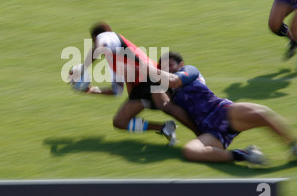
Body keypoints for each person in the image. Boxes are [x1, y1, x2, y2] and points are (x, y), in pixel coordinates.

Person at [155, 51, 297, 165]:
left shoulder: (190, 71)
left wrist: (150, 69)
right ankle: (243, 154)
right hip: (209, 131)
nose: (166, 69)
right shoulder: (167, 92)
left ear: (181, 64)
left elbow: (174, 80)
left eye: (170, 64)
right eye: (162, 67)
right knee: (189, 151)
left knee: (263, 113)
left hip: (223, 112)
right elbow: (164, 105)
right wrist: (149, 75)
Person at [68, 22, 199, 145]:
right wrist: (92, 90)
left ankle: (200, 134)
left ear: (96, 38)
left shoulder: (110, 37)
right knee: (120, 122)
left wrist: (83, 68)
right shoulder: (111, 60)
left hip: (152, 78)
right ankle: (165, 128)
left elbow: (100, 46)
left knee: (167, 106)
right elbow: (116, 91)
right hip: (140, 90)